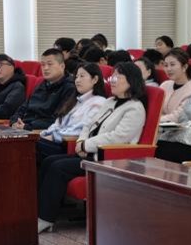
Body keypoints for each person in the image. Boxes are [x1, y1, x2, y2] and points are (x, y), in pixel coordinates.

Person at [36, 63, 147, 232]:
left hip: (108, 158)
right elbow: (88, 125)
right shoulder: (110, 101)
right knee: (49, 161)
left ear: (131, 81)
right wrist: (81, 142)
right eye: (112, 77)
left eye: (118, 77)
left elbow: (117, 137)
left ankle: (46, 218)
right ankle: (41, 212)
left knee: (58, 167)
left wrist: (86, 145)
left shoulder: (135, 108)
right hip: (89, 152)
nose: (112, 81)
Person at [10, 48, 75, 129]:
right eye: (43, 65)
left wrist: (27, 126)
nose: (45, 68)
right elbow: (22, 108)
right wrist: (14, 122)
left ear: (62, 66)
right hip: (24, 128)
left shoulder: (70, 88)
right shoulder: (42, 85)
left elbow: (58, 120)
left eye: (50, 64)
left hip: (41, 131)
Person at [158, 51, 191, 122]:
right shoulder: (164, 85)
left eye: (172, 64)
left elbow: (177, 117)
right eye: (166, 65)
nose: (168, 69)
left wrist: (153, 120)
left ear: (184, 67)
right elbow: (155, 108)